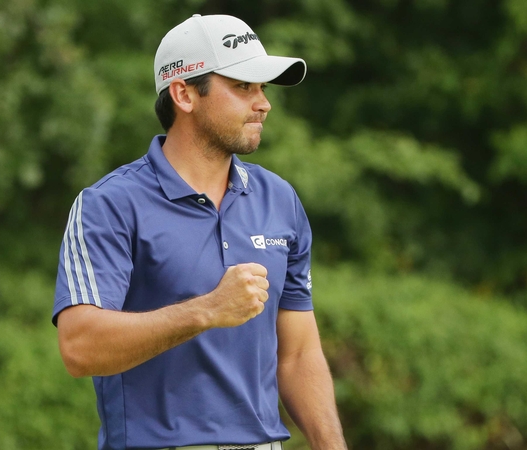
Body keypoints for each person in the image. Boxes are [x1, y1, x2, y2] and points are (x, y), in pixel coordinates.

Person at [52, 13, 348, 450]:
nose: (263, 104)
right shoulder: (109, 205)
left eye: (262, 88)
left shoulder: (279, 199)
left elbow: (299, 354)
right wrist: (207, 309)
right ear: (184, 94)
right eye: (243, 86)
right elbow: (80, 348)